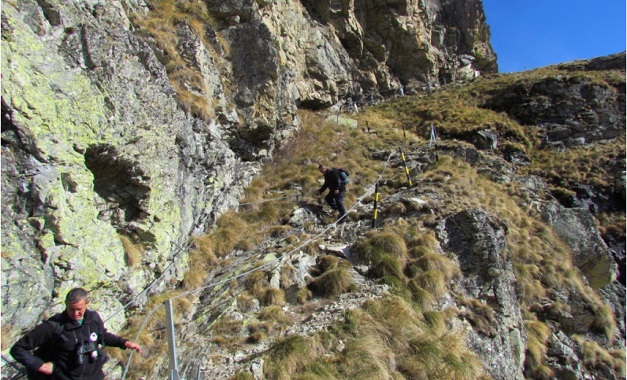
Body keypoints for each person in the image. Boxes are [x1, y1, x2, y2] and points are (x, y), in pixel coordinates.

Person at [10, 287, 142, 380]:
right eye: (71, 309)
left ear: (87, 304)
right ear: (65, 304)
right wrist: (42, 366)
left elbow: (102, 336)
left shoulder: (93, 319)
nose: (75, 314)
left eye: (79, 309)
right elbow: (18, 349)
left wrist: (124, 343)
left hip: (94, 376)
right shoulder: (53, 326)